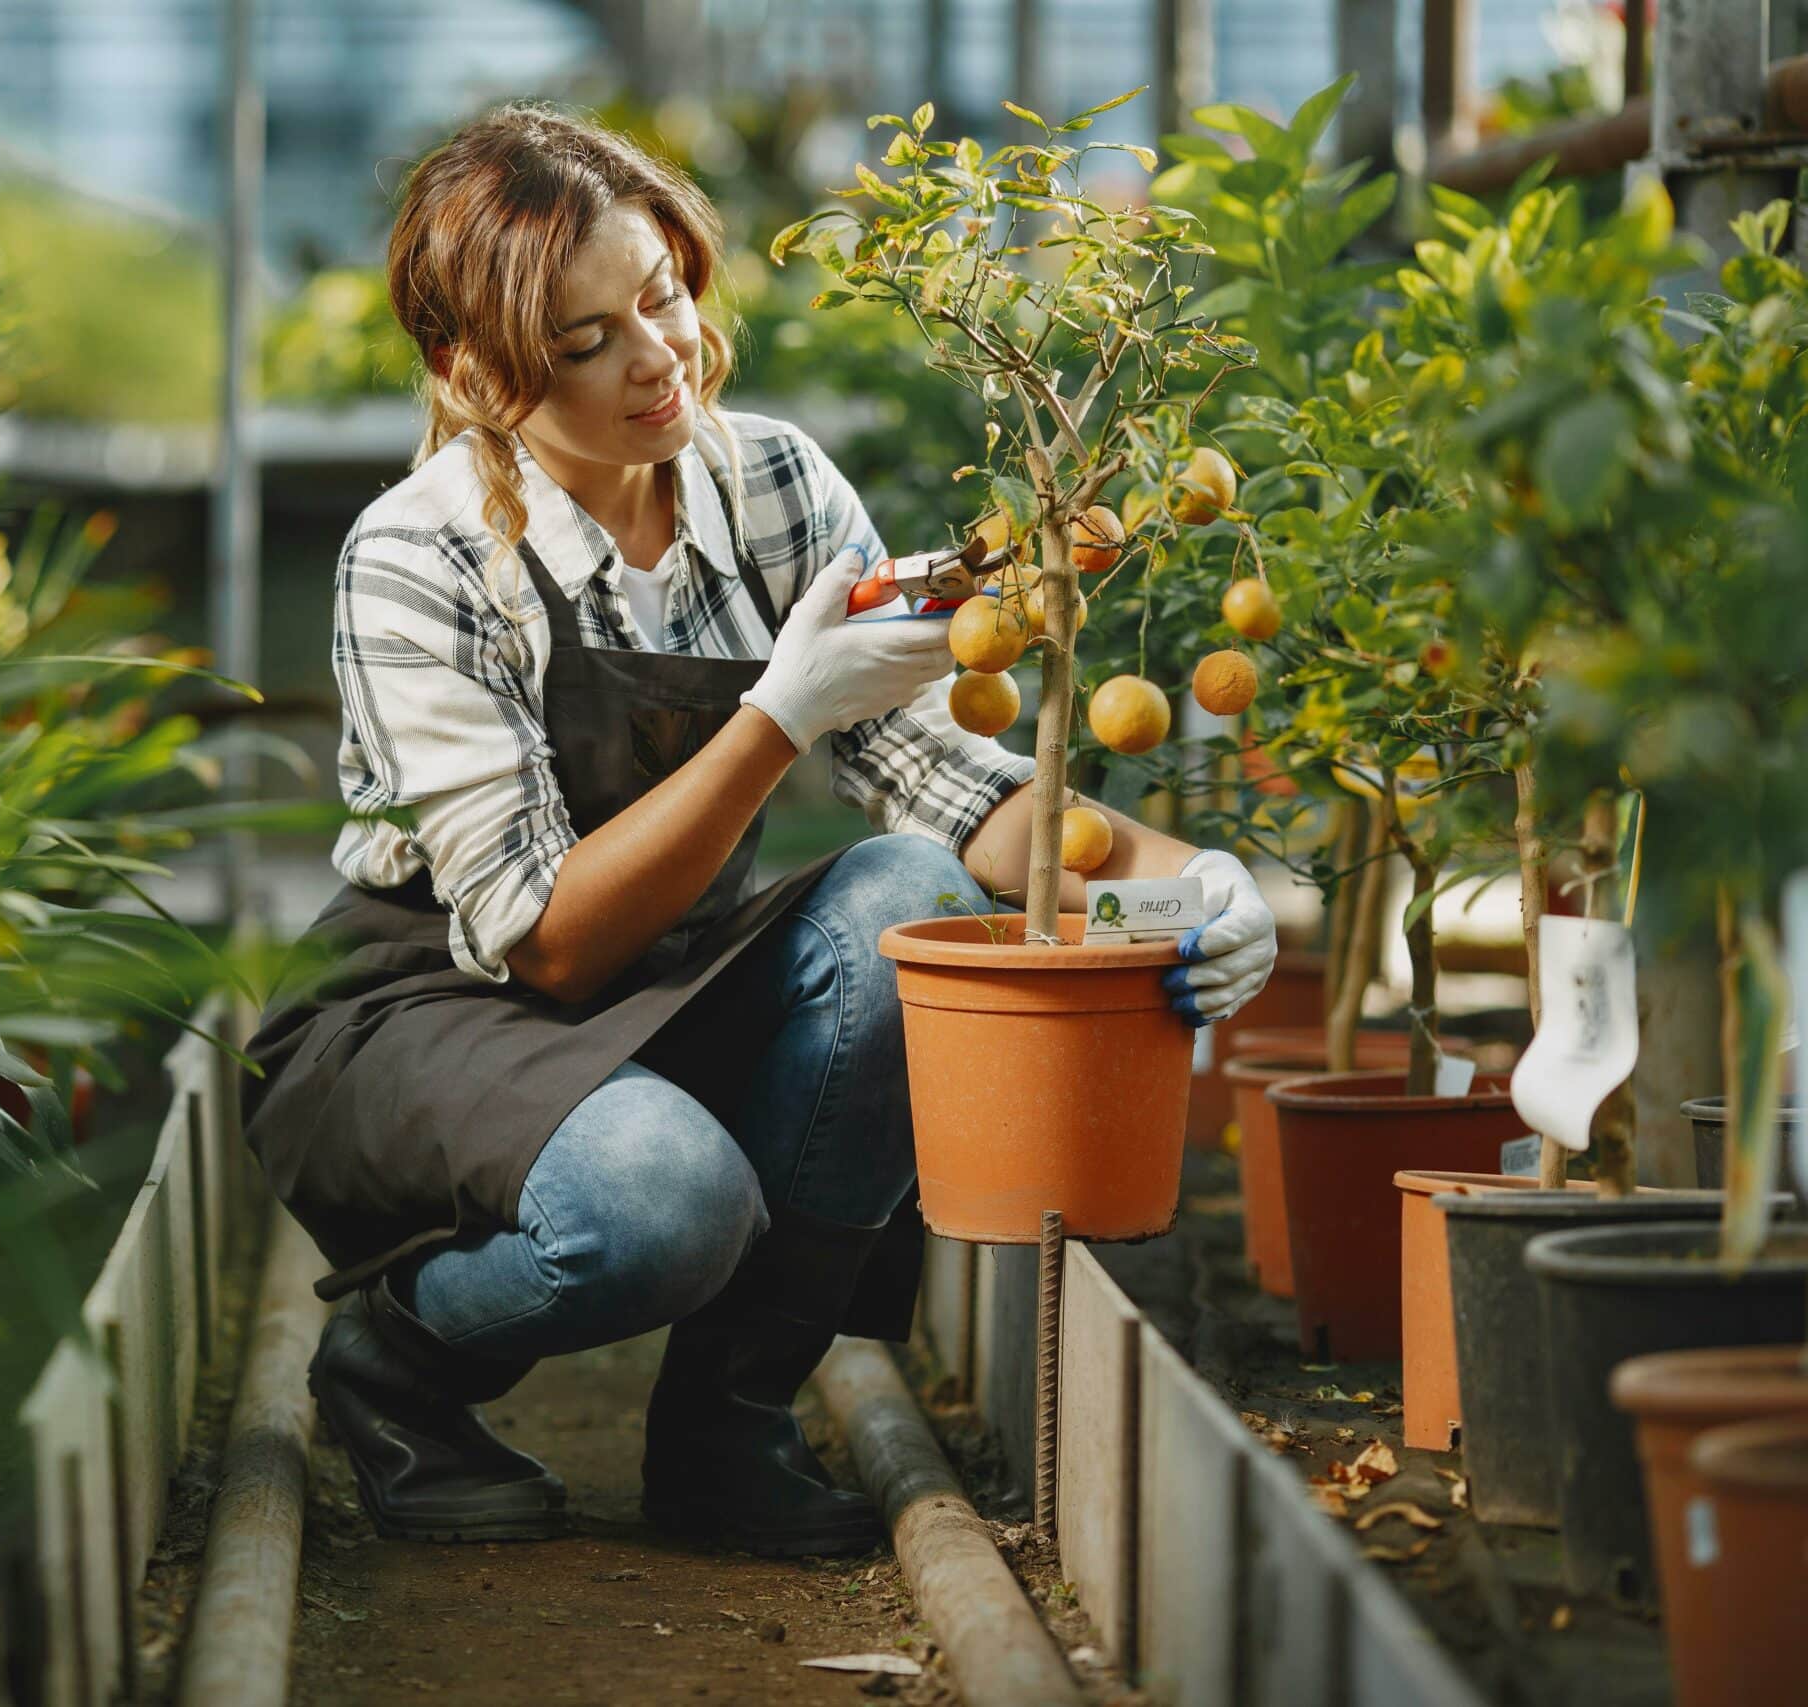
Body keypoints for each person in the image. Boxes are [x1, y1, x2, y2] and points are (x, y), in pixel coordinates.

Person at [242, 102, 1276, 1559]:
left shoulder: (774, 486)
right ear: (473, 373)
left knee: (903, 890)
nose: (656, 359)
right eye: (584, 342)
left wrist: (1193, 886)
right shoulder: (419, 559)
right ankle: (400, 1369)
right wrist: (780, 713)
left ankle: (728, 1433)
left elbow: (949, 785)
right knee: (664, 1201)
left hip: (653, 978)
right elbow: (539, 941)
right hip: (430, 1005)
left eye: (660, 293)